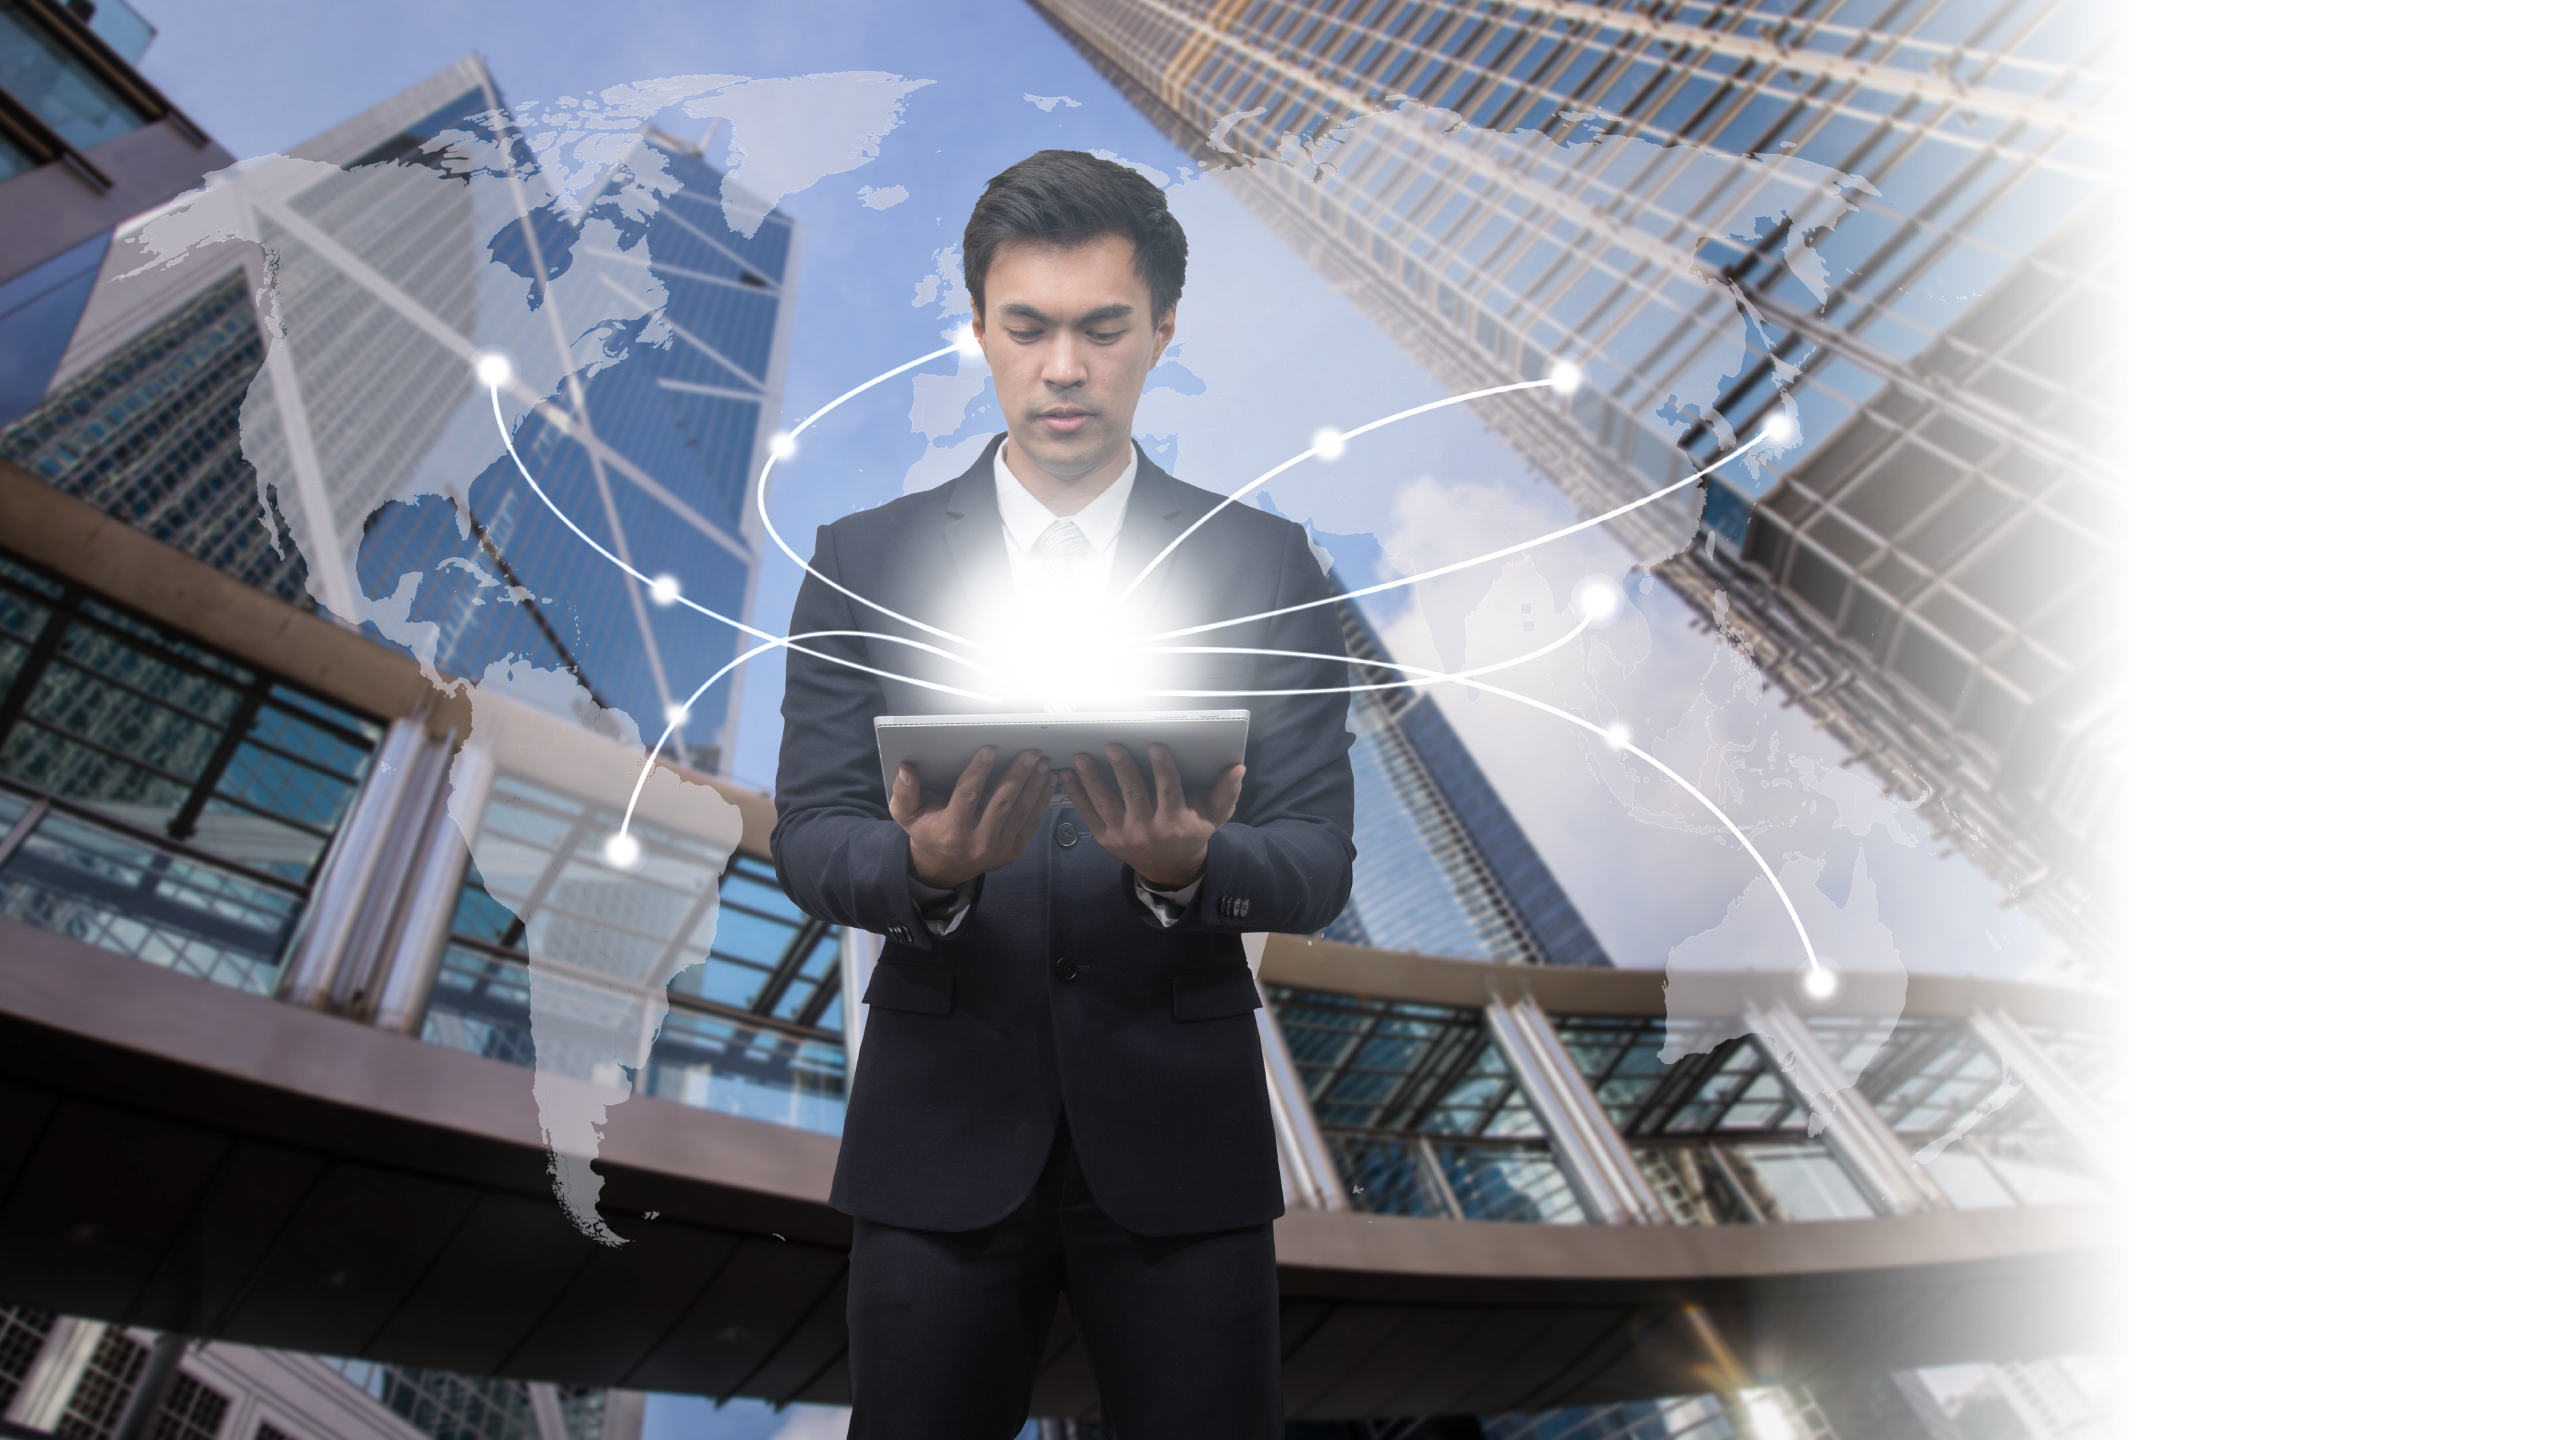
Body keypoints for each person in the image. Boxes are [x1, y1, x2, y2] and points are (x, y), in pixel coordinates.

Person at [768, 150, 1357, 1440]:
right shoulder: (861, 563)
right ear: (979, 329)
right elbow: (808, 835)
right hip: (938, 1138)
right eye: (1027, 328)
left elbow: (1318, 853)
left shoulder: (1266, 565)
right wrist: (922, 870)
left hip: (1182, 1144)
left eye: (1104, 328)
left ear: (1162, 334)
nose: (1065, 368)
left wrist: (1190, 871)